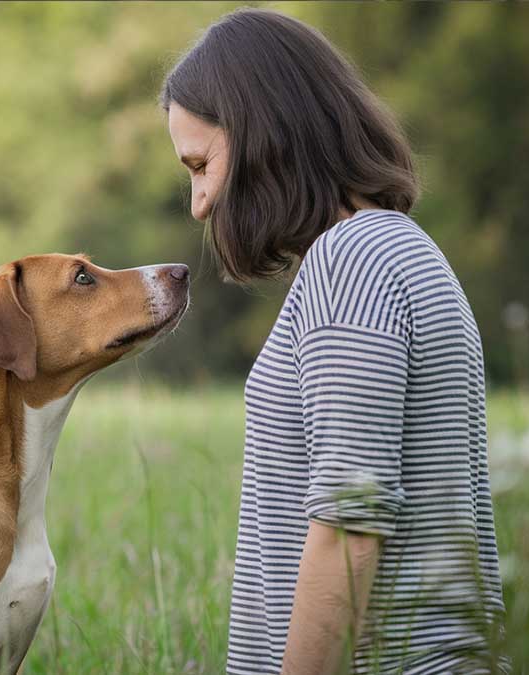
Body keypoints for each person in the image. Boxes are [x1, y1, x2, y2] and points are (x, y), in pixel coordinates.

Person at [161, 9, 506, 674]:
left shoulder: (349, 262)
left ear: (264, 131)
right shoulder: (402, 248)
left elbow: (350, 529)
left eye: (201, 164)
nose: (200, 202)